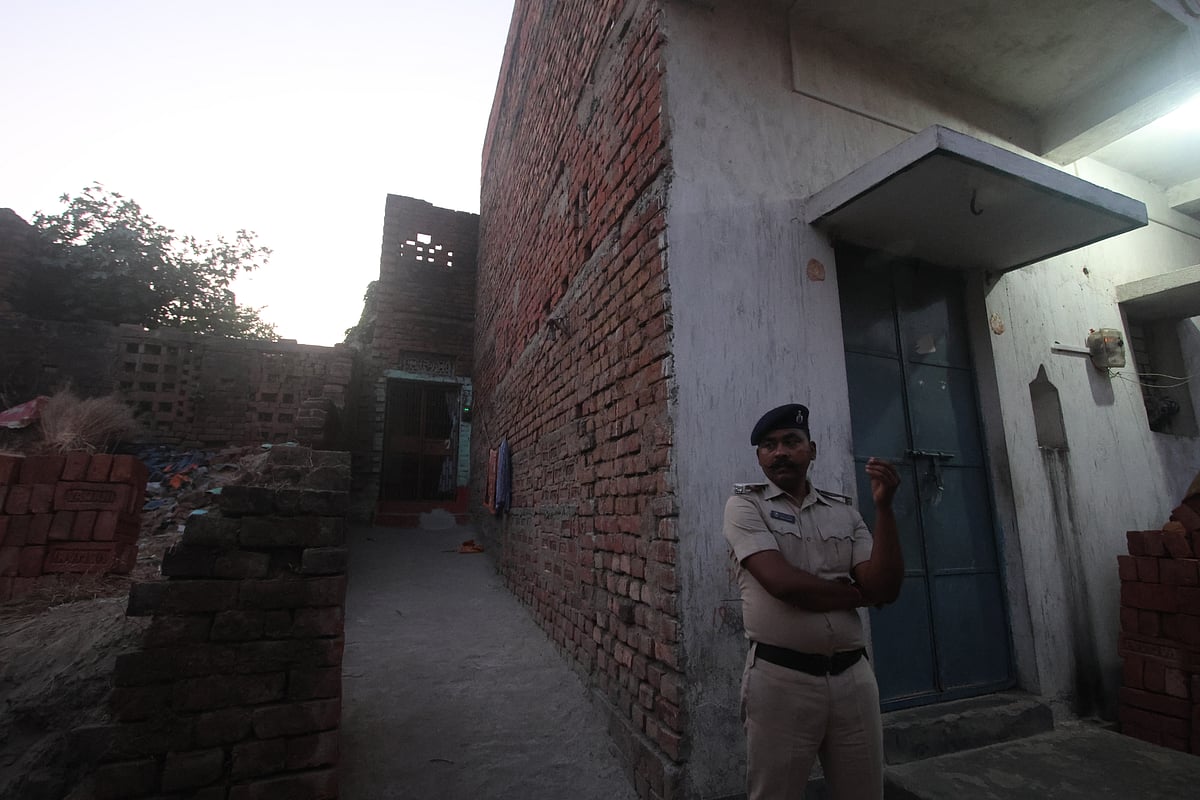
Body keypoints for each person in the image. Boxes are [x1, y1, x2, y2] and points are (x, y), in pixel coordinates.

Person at [722, 403, 903, 800]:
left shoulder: (844, 512)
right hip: (781, 679)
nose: (780, 452)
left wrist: (884, 509)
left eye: (791, 441)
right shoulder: (745, 507)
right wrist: (859, 595)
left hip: (853, 679)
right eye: (769, 446)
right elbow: (785, 585)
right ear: (759, 457)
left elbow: (885, 586)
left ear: (813, 450)